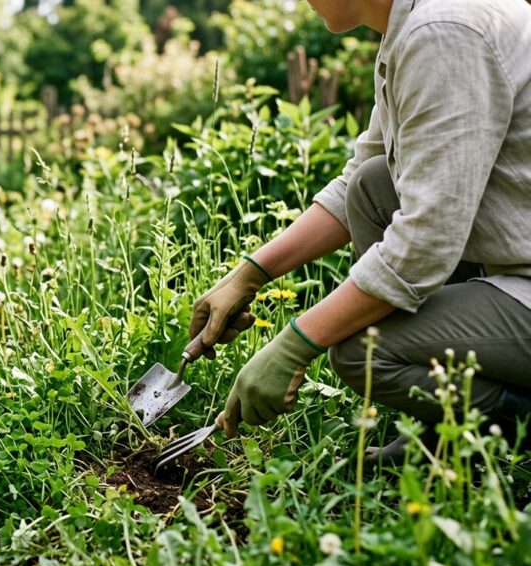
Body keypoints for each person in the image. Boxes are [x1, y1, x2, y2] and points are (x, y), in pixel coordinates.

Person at [191, 0, 531, 462]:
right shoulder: (412, 27)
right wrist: (250, 274)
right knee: (373, 186)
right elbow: (360, 176)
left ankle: (493, 433)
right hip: (514, 263)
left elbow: (425, 243)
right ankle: (440, 429)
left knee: (361, 348)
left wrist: (294, 345)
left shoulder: (443, 34)